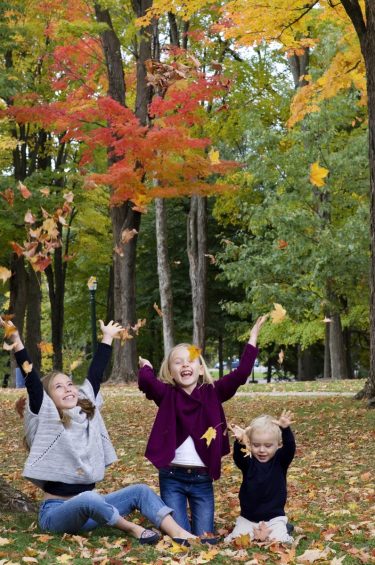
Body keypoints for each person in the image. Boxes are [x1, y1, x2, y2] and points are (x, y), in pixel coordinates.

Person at [0, 316, 194, 545]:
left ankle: (182, 534)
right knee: (90, 498)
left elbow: (95, 375)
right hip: (56, 514)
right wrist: (17, 341)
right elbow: (32, 379)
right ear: (48, 397)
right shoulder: (46, 416)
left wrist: (107, 338)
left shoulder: (85, 411)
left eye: (70, 384)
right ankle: (132, 529)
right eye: (58, 387)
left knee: (140, 491)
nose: (68, 389)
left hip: (92, 512)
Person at [138, 315, 267, 538]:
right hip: (172, 476)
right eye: (178, 362)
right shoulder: (167, 395)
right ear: (171, 371)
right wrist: (146, 367)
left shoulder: (213, 393)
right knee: (181, 537)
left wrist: (253, 338)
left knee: (205, 536)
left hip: (201, 478)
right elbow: (147, 383)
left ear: (200, 369)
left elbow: (242, 373)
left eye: (190, 360)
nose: (185, 364)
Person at [225, 410, 296, 544]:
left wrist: (285, 429)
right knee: (235, 541)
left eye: (268, 446)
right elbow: (239, 457)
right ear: (250, 444)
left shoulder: (280, 461)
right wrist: (240, 441)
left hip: (274, 518)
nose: (262, 450)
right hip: (248, 518)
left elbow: (290, 449)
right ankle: (254, 531)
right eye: (256, 445)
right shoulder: (249, 461)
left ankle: (284, 529)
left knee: (279, 541)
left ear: (278, 445)